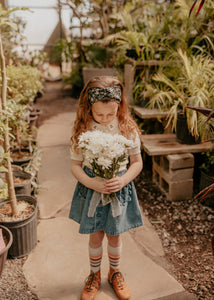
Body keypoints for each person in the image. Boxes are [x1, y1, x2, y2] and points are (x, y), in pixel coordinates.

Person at [69, 76, 143, 300]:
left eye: (110, 114)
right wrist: (92, 182)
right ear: (88, 107)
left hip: (118, 190)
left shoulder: (126, 128)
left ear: (119, 106)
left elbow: (137, 162)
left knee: (114, 235)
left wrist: (123, 180)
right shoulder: (83, 130)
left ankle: (115, 273)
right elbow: (75, 165)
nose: (104, 119)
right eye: (98, 114)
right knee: (95, 235)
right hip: (93, 189)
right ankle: (94, 275)